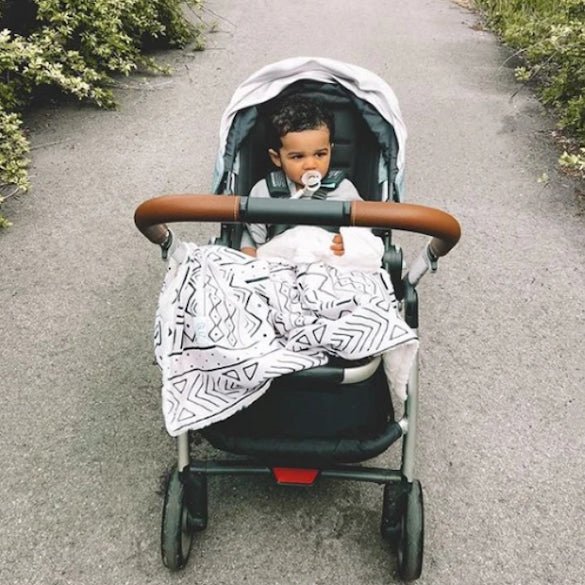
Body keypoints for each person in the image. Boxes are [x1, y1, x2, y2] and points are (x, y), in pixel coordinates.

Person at [240, 96, 363, 258]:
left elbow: (363, 235)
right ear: (277, 158)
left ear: (330, 151)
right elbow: (251, 241)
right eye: (298, 157)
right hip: (278, 265)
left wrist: (349, 243)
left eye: (320, 154)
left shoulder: (344, 191)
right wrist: (251, 261)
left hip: (327, 265)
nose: (311, 165)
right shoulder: (264, 192)